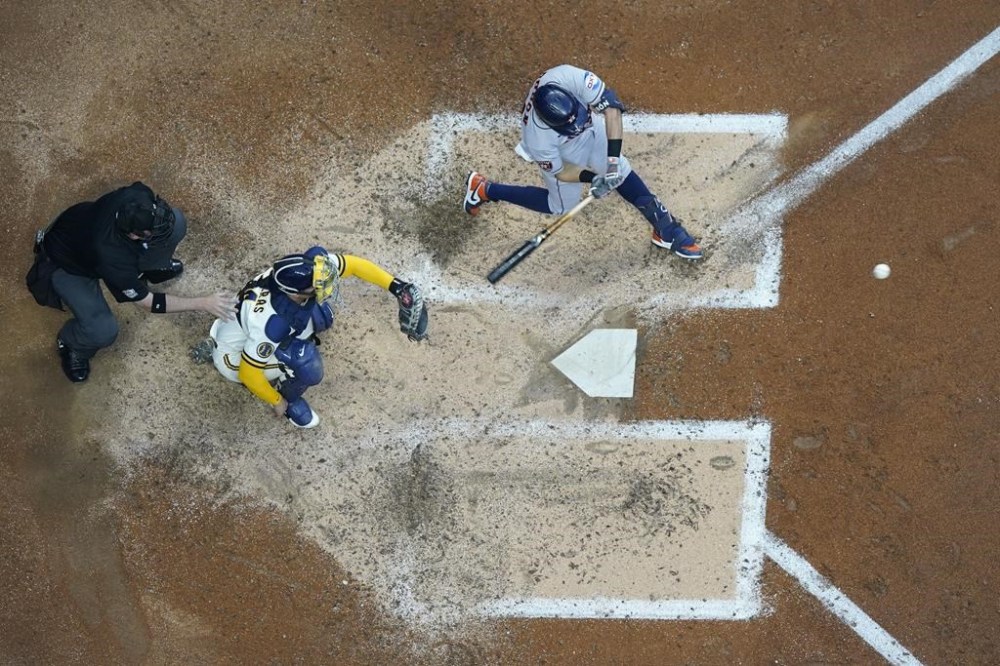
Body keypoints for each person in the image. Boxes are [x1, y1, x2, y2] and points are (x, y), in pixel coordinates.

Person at [463, 64, 703, 260]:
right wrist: (593, 178)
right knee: (560, 206)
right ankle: (485, 189)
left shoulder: (568, 77)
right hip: (563, 151)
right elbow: (562, 172)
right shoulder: (538, 140)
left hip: (591, 134)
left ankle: (666, 230)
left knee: (620, 169)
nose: (578, 122)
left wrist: (610, 164)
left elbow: (612, 110)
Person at [207, 246, 428, 429]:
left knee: (322, 316)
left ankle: (289, 360)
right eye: (319, 285)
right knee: (307, 363)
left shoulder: (309, 269)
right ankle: (289, 397)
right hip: (233, 357)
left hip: (253, 327)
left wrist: (396, 287)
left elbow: (353, 265)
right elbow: (249, 374)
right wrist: (277, 401)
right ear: (295, 293)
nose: (328, 285)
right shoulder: (272, 324)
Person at [37, 181, 235, 382]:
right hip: (67, 265)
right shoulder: (111, 256)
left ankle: (152, 269)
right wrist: (204, 303)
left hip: (81, 228)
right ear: (133, 235)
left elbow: (161, 222)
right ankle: (73, 344)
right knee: (103, 330)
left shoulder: (136, 195)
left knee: (176, 223)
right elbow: (148, 303)